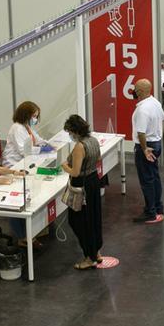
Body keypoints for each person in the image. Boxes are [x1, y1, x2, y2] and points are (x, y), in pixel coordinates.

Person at [61, 114, 104, 270]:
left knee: (78, 221)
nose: (70, 135)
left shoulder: (80, 147)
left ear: (75, 131)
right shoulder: (93, 140)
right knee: (93, 218)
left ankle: (89, 257)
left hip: (82, 185)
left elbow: (75, 172)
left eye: (70, 132)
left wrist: (64, 166)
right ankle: (96, 251)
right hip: (93, 181)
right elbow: (98, 158)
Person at [131, 79, 164, 224]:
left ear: (142, 91)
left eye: (137, 89)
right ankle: (158, 207)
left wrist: (144, 149)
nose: (135, 91)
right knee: (155, 177)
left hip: (146, 146)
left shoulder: (142, 110)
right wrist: (159, 138)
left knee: (147, 180)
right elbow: (163, 121)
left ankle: (150, 211)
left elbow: (141, 133)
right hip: (156, 144)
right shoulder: (155, 103)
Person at [5, 101, 47, 165]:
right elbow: (23, 150)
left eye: (36, 116)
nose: (35, 119)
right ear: (25, 115)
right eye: (34, 116)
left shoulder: (26, 126)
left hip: (25, 160)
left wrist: (47, 144)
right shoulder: (17, 128)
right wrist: (40, 149)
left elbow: (37, 139)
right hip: (14, 163)